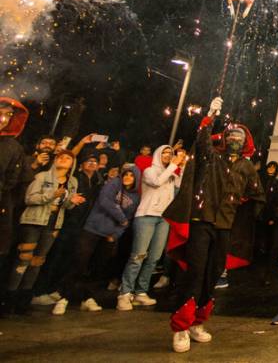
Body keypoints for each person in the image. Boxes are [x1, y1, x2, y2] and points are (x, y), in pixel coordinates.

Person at [162, 97, 264, 353]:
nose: (235, 139)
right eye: (231, 135)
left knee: (213, 274)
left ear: (245, 142)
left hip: (225, 226)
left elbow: (257, 195)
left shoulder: (247, 167)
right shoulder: (211, 158)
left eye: (239, 137)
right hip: (201, 221)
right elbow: (202, 140)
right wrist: (210, 116)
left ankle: (198, 321)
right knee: (195, 272)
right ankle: (181, 326)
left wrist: (239, 210)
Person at [6, 150, 84, 313]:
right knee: (23, 260)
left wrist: (72, 201)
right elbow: (30, 198)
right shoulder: (42, 177)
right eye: (61, 157)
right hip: (34, 221)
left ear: (72, 164)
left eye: (68, 158)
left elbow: (66, 205)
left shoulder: (72, 182)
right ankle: (8, 299)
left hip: (53, 223)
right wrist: (51, 194)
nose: (63, 159)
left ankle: (23, 300)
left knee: (38, 261)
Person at [62, 163, 141, 313]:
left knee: (98, 268)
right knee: (79, 262)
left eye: (131, 175)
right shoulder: (113, 184)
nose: (128, 177)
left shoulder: (135, 196)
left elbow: (128, 219)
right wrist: (121, 218)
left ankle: (88, 298)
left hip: (109, 236)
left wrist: (116, 234)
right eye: (125, 174)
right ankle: (64, 297)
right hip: (92, 228)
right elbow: (105, 201)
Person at [117, 144, 185, 311]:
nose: (168, 156)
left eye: (171, 153)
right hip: (146, 216)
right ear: (158, 155)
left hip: (163, 219)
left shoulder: (170, 173)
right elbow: (156, 182)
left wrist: (181, 168)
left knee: (154, 257)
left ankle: (141, 291)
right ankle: (125, 293)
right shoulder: (150, 171)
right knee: (138, 255)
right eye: (165, 153)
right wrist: (174, 166)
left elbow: (180, 186)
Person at [0, 98, 28, 299]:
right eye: (1, 112)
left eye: (9, 115)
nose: (4, 118)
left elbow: (13, 180)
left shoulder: (13, 147)